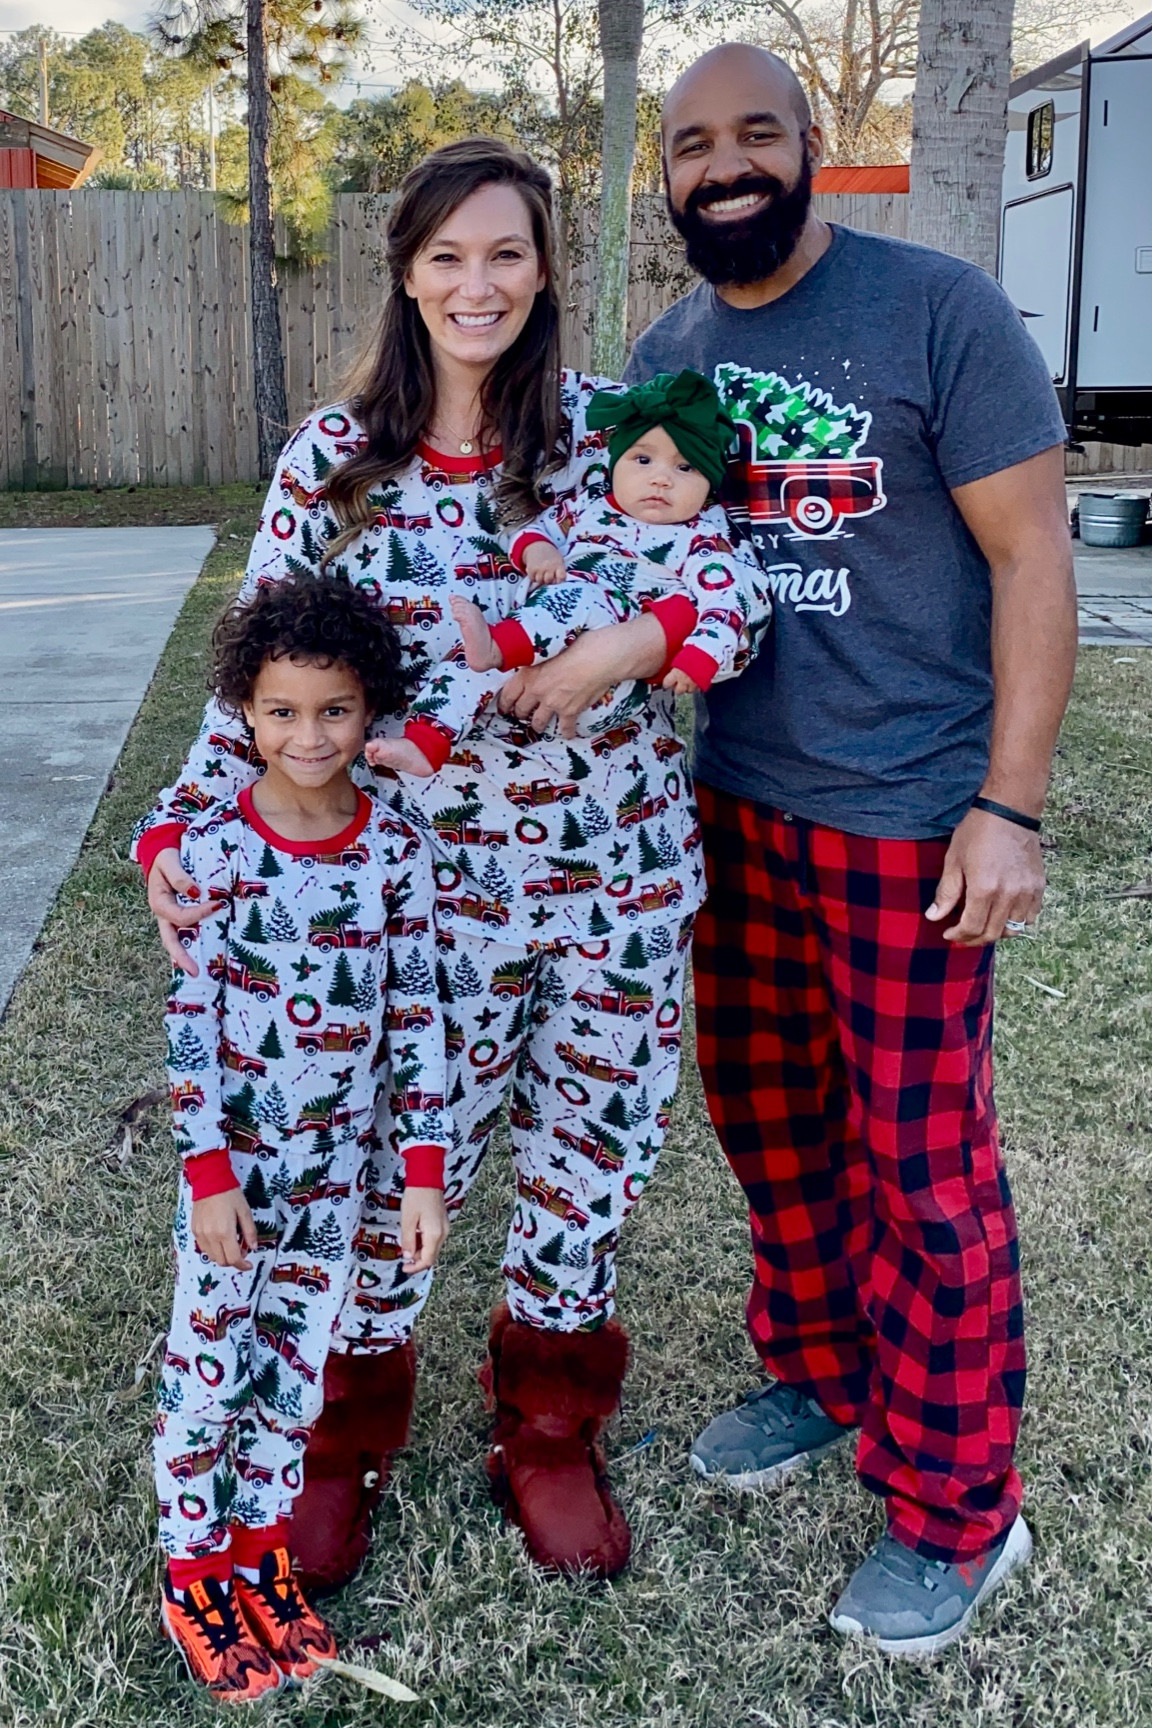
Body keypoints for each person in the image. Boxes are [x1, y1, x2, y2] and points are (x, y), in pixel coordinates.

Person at [135, 138, 769, 1592]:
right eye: (446, 257)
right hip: (419, 918)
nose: (476, 284)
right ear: (407, 274)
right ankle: (342, 1442)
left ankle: (547, 1435)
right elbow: (260, 679)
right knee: (380, 1187)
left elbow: (726, 590)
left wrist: (633, 640)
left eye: (505, 253)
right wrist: (176, 829)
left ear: (545, 268)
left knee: (583, 1173)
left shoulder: (619, 437)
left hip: (614, 892)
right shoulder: (335, 462)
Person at [624, 43, 1078, 1657]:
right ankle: (818, 1367)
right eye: (693, 144)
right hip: (732, 805)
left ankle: (962, 1506)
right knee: (764, 1118)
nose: (724, 165)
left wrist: (1007, 802)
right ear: (666, 174)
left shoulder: (936, 308)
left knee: (922, 1167)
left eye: (755, 133)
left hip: (905, 816)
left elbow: (1032, 562)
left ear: (811, 145)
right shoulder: (665, 345)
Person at [154, 573, 450, 1704]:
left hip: (339, 1188)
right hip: (234, 1189)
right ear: (244, 712)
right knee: (209, 1375)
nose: (309, 734)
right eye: (282, 711)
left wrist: (420, 1175)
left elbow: (420, 1018)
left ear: (370, 708)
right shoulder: (215, 857)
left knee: (289, 1382)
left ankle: (259, 1564)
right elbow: (191, 1035)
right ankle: (194, 1575)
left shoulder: (398, 851)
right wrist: (211, 1178)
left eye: (334, 709)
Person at [367, 367, 770, 779]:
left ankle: (499, 648)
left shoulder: (701, 539)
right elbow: (534, 528)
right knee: (469, 667)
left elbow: (729, 602)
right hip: (536, 644)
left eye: (685, 468)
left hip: (609, 682)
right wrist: (539, 551)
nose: (660, 479)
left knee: (574, 598)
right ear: (617, 463)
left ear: (709, 484)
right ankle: (425, 742)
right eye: (643, 459)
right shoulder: (592, 506)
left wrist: (699, 657)